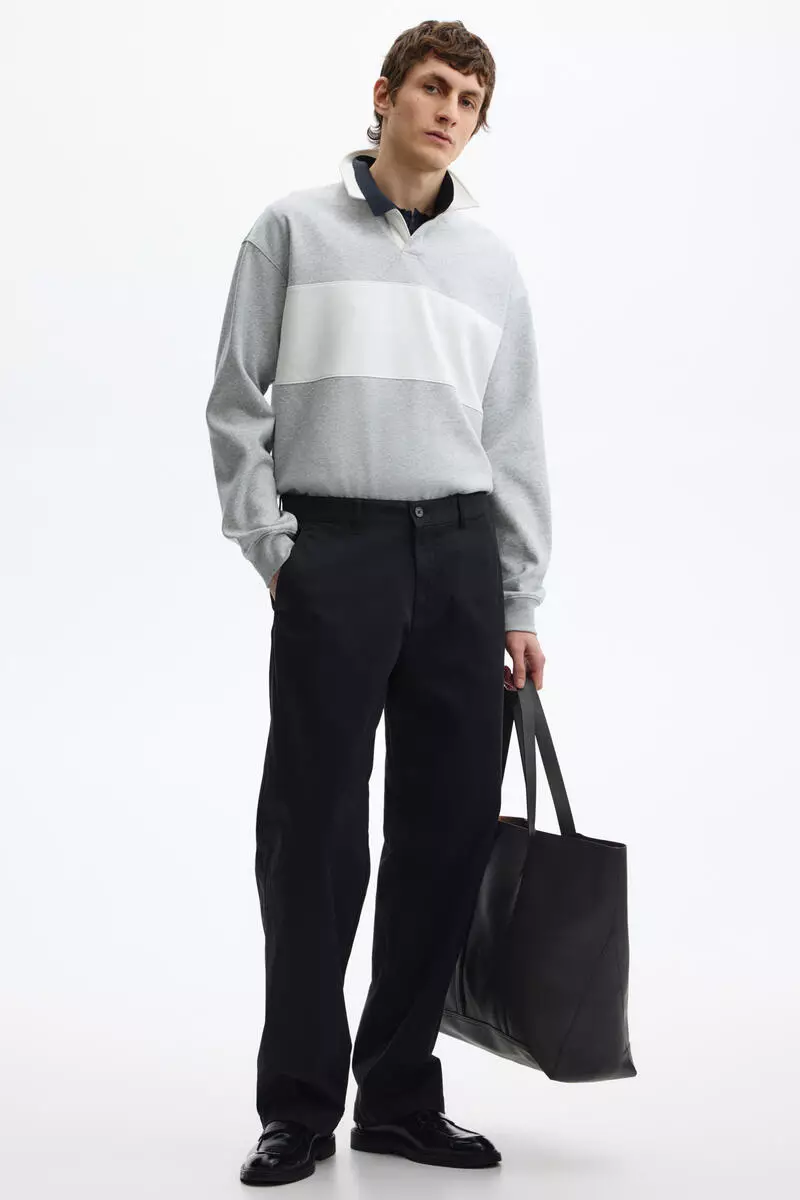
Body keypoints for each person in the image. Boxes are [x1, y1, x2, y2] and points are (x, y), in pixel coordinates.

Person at [205, 18, 552, 1187]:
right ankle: (299, 1107)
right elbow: (233, 400)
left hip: (457, 561)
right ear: (386, 94)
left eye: (469, 99)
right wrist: (275, 550)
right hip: (333, 552)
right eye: (433, 87)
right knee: (310, 839)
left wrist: (518, 599)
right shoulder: (290, 229)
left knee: (443, 838)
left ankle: (398, 1099)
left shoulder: (490, 266)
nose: (449, 110)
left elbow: (513, 439)